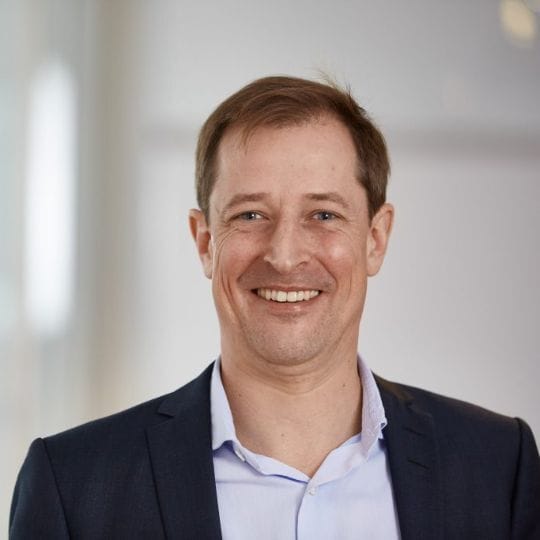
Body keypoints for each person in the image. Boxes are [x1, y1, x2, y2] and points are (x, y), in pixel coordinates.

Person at [10, 75, 540, 539]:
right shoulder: (75, 486)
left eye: (324, 215)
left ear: (376, 239)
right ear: (204, 241)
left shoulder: (499, 467)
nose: (284, 256)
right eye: (250, 216)